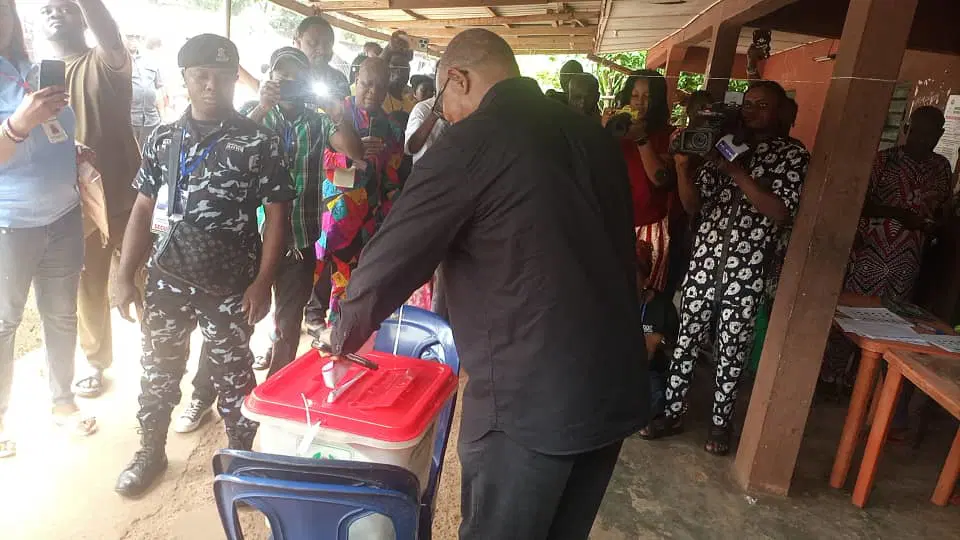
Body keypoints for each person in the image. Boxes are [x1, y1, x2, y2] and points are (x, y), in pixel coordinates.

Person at [326, 29, 647, 539]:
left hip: (530, 401)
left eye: (444, 102)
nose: (445, 115)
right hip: (615, 388)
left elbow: (395, 252)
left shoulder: (472, 142)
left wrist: (340, 334)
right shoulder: (591, 135)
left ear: (459, 78)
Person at [112, 35, 294, 497]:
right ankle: (150, 452)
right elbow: (140, 209)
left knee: (233, 376)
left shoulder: (261, 142)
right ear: (186, 81)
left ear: (236, 78)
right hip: (168, 278)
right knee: (159, 369)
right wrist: (123, 277)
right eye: (200, 76)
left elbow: (278, 217)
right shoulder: (162, 139)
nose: (210, 85)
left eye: (220, 75)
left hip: (232, 284)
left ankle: (243, 465)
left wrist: (261, 282)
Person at [177, 48, 366, 429]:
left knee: (287, 324)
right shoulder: (253, 115)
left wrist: (338, 113)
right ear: (270, 78)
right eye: (282, 76)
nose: (289, 84)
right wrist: (262, 107)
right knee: (231, 324)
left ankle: (273, 398)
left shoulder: (317, 123)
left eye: (297, 77)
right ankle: (202, 394)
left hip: (297, 242)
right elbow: (221, 149)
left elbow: (355, 152)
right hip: (250, 243)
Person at [641, 80, 810, 456]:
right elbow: (693, 207)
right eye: (748, 104)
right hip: (705, 260)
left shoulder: (791, 155)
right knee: (686, 342)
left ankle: (721, 423)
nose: (752, 111)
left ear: (780, 111)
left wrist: (736, 172)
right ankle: (671, 413)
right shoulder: (723, 144)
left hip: (748, 267)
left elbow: (781, 212)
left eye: (762, 105)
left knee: (732, 348)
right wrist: (685, 170)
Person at [0, 0, 98, 459]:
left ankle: (63, 401)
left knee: (60, 315)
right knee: (4, 323)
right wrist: (21, 123)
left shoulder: (32, 69)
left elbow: (54, 129)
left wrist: (71, 146)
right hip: (10, 223)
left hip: (63, 214)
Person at [41, 0, 141, 399]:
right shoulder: (37, 78)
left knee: (141, 278)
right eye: (46, 9)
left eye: (64, 7)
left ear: (82, 15)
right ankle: (97, 362)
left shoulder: (103, 61)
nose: (53, 12)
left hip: (127, 199)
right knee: (88, 287)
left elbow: (109, 34)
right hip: (74, 204)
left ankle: (161, 353)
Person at [820, 106, 951, 398]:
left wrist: (934, 223)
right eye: (918, 131)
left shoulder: (941, 167)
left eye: (931, 133)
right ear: (906, 129)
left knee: (890, 322)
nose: (923, 138)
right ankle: (830, 378)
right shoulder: (885, 161)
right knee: (854, 316)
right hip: (871, 251)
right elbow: (860, 204)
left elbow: (941, 206)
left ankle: (860, 383)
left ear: (940, 134)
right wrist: (899, 214)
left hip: (908, 257)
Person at [316, 56, 405, 329]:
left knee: (349, 280)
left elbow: (393, 173)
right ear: (356, 80)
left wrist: (388, 214)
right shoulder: (332, 115)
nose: (372, 92)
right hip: (329, 212)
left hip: (367, 218)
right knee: (310, 278)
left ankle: (338, 330)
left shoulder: (390, 126)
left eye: (380, 86)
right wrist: (350, 156)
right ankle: (281, 336)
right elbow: (312, 158)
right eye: (367, 84)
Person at [603, 70, 677, 292]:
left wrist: (641, 139)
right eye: (634, 96)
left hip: (650, 228)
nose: (640, 103)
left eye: (647, 96)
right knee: (610, 293)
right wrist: (602, 131)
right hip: (615, 224)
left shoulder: (668, 134)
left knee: (644, 295)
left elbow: (660, 180)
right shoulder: (616, 131)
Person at [635, 241, 679, 414]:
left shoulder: (663, 307)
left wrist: (658, 339)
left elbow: (678, 345)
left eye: (634, 275)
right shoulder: (614, 303)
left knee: (655, 395)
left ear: (646, 277)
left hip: (649, 372)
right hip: (620, 371)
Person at [293, 16, 350, 101]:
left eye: (327, 44)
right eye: (313, 43)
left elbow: (345, 111)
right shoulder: (285, 76)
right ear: (298, 44)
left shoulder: (339, 79)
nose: (322, 50)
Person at [128, 34, 164, 147]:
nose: (134, 41)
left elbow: (158, 90)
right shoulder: (117, 62)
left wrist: (162, 115)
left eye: (137, 38)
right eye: (130, 37)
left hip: (151, 120)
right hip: (130, 121)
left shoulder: (151, 61)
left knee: (150, 154)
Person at [382, 49, 415, 114]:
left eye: (404, 68)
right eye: (394, 66)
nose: (399, 71)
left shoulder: (411, 108)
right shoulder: (377, 99)